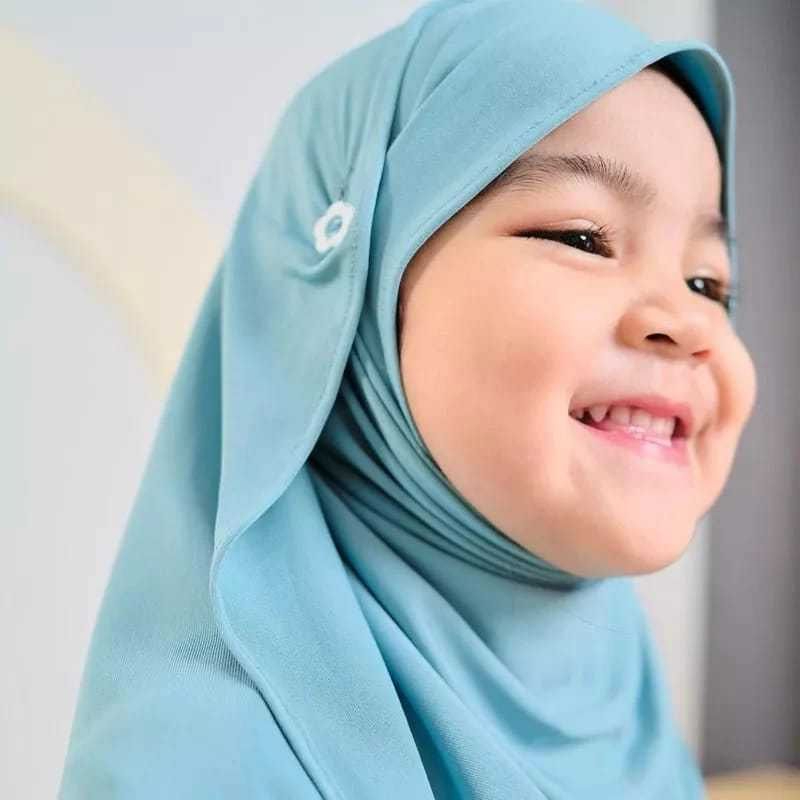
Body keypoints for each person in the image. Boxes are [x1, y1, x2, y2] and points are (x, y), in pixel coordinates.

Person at [58, 0, 757, 797]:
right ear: (357, 300)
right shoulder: (206, 763)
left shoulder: (619, 696)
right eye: (582, 237)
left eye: (709, 283)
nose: (687, 322)